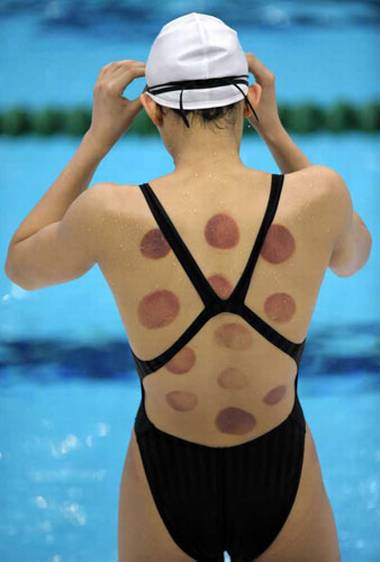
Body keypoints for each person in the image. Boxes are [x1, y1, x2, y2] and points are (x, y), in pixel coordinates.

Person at [4, 11, 372, 562]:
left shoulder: (110, 211)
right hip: (280, 457)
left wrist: (96, 138)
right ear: (247, 100)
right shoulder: (319, 196)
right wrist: (273, 130)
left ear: (151, 107)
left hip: (164, 468)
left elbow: (21, 264)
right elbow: (355, 255)